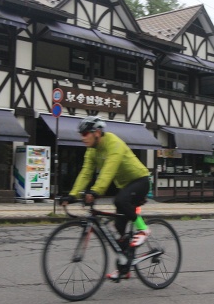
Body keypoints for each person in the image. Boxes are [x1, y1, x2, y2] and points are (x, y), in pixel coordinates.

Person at [59, 116, 151, 281]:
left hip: (140, 180)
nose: (82, 137)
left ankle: (143, 229)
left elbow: (108, 169)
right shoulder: (92, 150)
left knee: (120, 201)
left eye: (86, 133)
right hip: (125, 186)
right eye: (81, 134)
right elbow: (86, 173)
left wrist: (95, 191)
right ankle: (124, 267)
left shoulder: (113, 143)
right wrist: (72, 195)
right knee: (119, 229)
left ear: (98, 133)